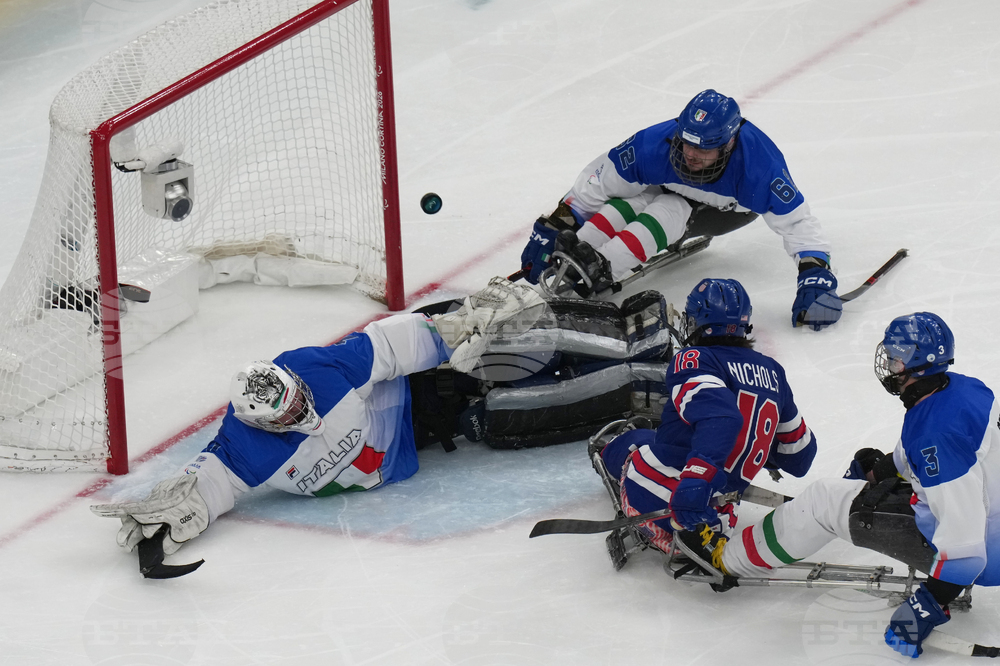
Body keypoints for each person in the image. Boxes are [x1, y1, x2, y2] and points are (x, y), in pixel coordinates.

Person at [91, 279, 678, 568]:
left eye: (298, 401)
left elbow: (387, 347)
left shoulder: (311, 370)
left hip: (417, 379)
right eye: (288, 418)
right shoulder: (244, 450)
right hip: (423, 431)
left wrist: (452, 331)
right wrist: (166, 527)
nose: (301, 412)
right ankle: (640, 386)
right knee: (502, 416)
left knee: (510, 338)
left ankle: (632, 333)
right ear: (261, 425)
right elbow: (203, 491)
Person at [676, 311, 1000, 659]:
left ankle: (725, 560)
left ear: (918, 366)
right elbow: (946, 456)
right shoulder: (965, 389)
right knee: (865, 470)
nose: (889, 364)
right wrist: (879, 472)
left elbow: (965, 545)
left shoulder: (935, 440)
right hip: (981, 518)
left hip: (981, 555)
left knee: (823, 501)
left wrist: (926, 607)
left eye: (896, 359)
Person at [519, 89, 841, 330]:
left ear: (729, 144)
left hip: (726, 210)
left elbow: (798, 223)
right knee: (628, 201)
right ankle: (578, 253)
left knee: (668, 208)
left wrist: (815, 275)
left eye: (704, 149)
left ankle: (605, 266)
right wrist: (557, 225)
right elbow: (599, 182)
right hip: (667, 186)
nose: (690, 154)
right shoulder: (652, 144)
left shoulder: (760, 168)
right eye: (686, 143)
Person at [595, 278, 818, 560]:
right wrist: (759, 449)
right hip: (723, 510)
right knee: (655, 439)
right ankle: (704, 526)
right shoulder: (773, 371)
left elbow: (721, 418)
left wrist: (697, 479)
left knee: (629, 450)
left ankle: (680, 528)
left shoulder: (695, 358)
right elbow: (799, 457)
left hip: (683, 496)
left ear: (697, 322)